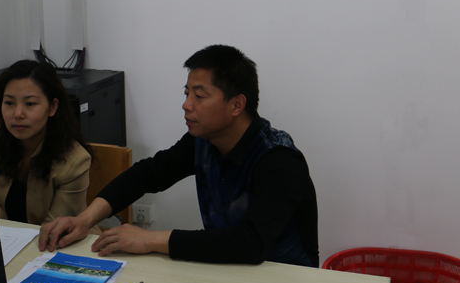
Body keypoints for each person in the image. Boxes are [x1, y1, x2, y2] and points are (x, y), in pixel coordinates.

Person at [39, 45, 319, 266]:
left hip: (284, 278)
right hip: (231, 269)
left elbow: (251, 243)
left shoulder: (278, 160)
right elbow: (148, 174)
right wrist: (85, 220)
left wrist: (150, 240)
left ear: (237, 105)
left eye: (199, 96)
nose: (186, 105)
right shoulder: (203, 141)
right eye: (186, 94)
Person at [0, 59, 94, 226]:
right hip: (7, 232)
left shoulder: (76, 160)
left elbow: (53, 229)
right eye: (9, 103)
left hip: (57, 237)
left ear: (52, 107)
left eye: (30, 103)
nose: (18, 114)